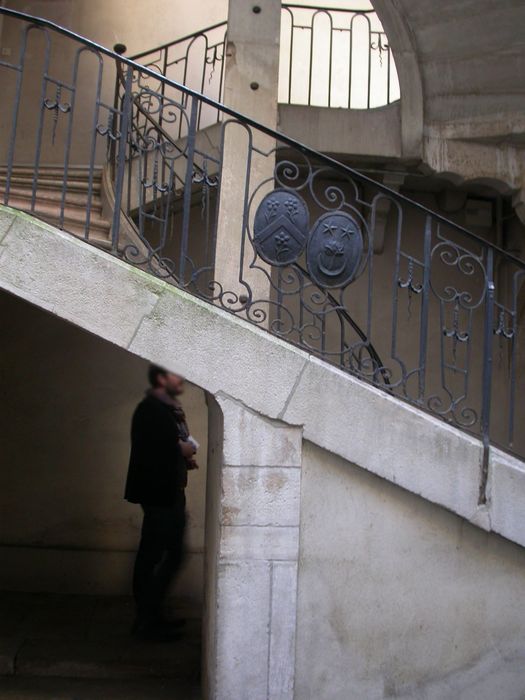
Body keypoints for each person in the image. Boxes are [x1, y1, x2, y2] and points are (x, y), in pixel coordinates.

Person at [125, 364, 198, 641]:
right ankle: (147, 620)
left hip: (167, 491)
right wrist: (180, 449)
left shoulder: (166, 408)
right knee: (159, 555)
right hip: (158, 494)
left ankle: (152, 616)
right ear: (160, 379)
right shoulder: (150, 409)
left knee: (163, 554)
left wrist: (183, 455)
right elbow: (154, 448)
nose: (181, 379)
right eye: (175, 375)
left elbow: (163, 445)